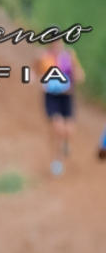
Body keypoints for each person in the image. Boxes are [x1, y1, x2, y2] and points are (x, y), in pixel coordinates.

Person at [36, 46, 85, 175]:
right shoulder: (44, 57)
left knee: (68, 130)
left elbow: (79, 74)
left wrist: (76, 77)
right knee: (57, 127)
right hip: (51, 96)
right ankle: (56, 160)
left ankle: (65, 145)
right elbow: (36, 71)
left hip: (66, 96)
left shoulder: (68, 56)